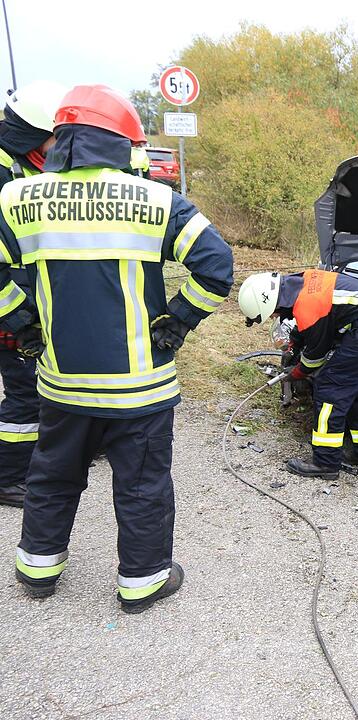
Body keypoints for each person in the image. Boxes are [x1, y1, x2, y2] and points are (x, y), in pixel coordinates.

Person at [0, 84, 234, 611]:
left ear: (59, 140)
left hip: (62, 380)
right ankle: (143, 581)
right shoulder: (156, 201)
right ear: (123, 142)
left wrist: (22, 321)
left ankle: (37, 568)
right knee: (142, 483)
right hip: (140, 386)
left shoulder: (17, 199)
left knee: (52, 475)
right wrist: (178, 321)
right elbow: (217, 265)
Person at [238, 269, 358, 479]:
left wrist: (296, 373)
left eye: (272, 314)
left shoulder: (309, 307)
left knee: (329, 389)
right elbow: (311, 325)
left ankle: (325, 462)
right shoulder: (298, 282)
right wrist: (295, 342)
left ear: (272, 304)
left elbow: (316, 356)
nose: (274, 317)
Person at [0, 81, 68, 508]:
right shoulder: (5, 173)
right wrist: (19, 319)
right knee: (25, 392)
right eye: (54, 138)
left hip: (25, 297)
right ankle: (9, 476)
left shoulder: (22, 162)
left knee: (35, 385)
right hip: (9, 304)